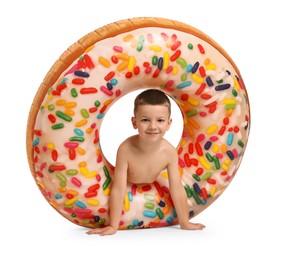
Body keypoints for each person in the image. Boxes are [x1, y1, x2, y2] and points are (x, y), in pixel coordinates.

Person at [87, 89, 205, 236]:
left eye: (160, 120)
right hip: (128, 189)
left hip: (155, 191)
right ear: (134, 122)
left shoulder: (168, 152)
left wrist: (185, 222)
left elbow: (176, 188)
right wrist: (113, 226)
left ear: (169, 124)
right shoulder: (126, 149)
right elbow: (118, 188)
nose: (153, 126)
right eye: (145, 120)